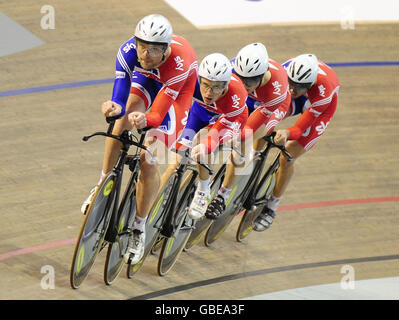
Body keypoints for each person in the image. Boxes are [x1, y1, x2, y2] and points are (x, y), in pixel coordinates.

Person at [80, 14, 198, 264]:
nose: (145, 54)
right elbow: (120, 97)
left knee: (149, 156)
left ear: (165, 49)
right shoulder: (127, 51)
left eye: (154, 49)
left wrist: (149, 120)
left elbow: (158, 111)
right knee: (119, 122)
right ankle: (102, 183)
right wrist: (114, 106)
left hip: (176, 95)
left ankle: (139, 227)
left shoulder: (179, 62)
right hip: (148, 80)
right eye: (142, 46)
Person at [252, 53, 340, 231]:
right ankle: (251, 164)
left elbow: (299, 130)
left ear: (309, 84)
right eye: (290, 83)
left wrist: (285, 132)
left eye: (298, 87)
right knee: (265, 123)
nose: (292, 89)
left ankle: (271, 207)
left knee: (288, 156)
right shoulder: (284, 71)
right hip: (300, 95)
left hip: (318, 109)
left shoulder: (323, 92)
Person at [205, 43, 291, 219]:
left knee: (243, 139)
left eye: (250, 81)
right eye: (240, 78)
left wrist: (232, 135)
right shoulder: (229, 69)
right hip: (247, 101)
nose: (244, 85)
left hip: (271, 106)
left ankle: (223, 195)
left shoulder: (276, 87)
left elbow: (248, 128)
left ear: (263, 74)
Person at [170, 53, 248, 220]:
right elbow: (177, 105)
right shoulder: (193, 82)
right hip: (201, 112)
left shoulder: (237, 95)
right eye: (205, 85)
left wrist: (205, 146)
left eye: (216, 87)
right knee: (177, 156)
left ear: (226, 85)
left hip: (228, 120)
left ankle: (203, 190)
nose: (208, 92)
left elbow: (216, 133)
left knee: (203, 141)